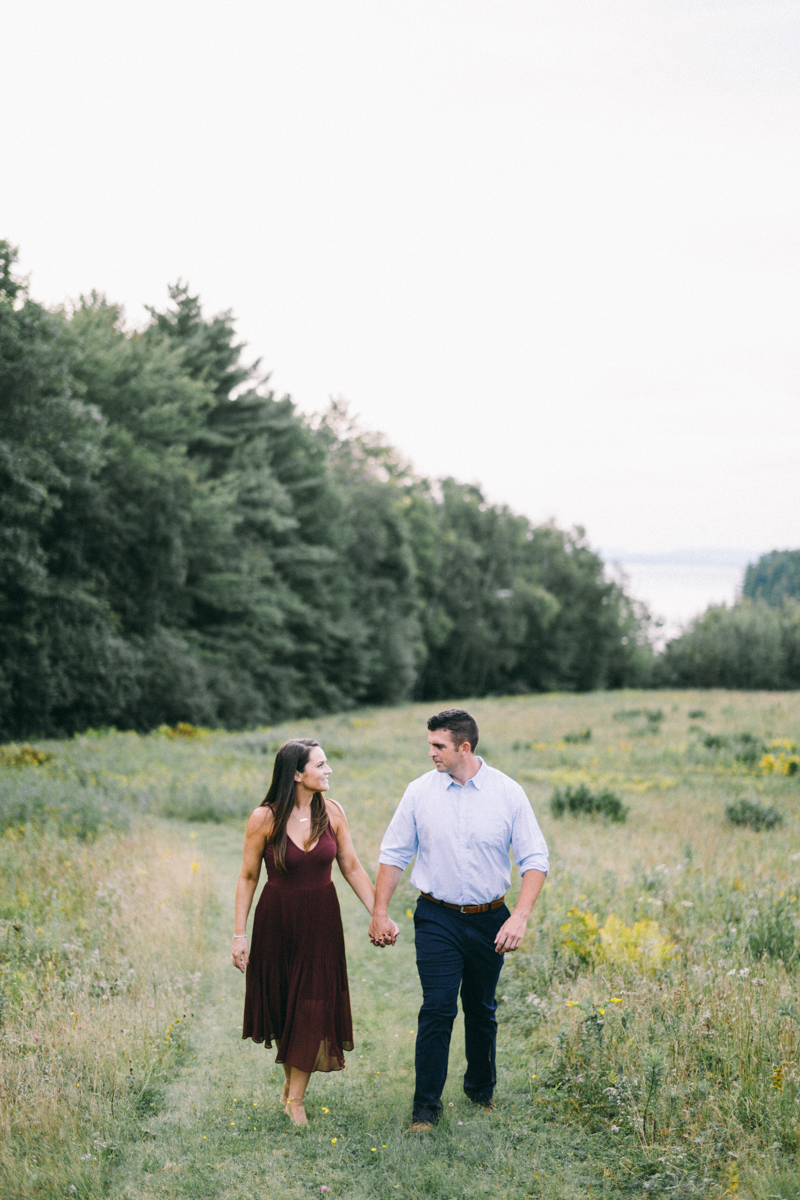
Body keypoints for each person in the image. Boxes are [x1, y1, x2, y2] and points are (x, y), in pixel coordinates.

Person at [368, 709, 548, 1131]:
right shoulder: (419, 792)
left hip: (491, 919)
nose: (430, 752)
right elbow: (394, 854)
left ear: (464, 747)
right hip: (436, 916)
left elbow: (534, 859)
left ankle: (481, 1092)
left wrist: (519, 917)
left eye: (438, 746)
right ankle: (425, 1110)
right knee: (437, 1007)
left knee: (481, 1009)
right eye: (430, 744)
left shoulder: (507, 793)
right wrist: (379, 912)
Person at [232, 738, 397, 1125]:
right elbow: (248, 875)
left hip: (321, 920)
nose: (328, 771)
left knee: (312, 1003)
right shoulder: (264, 818)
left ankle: (296, 1101)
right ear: (296, 774)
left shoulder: (333, 812)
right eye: (320, 765)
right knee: (286, 1003)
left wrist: (380, 914)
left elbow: (352, 867)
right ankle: (290, 1090)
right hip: (277, 920)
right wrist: (240, 935)